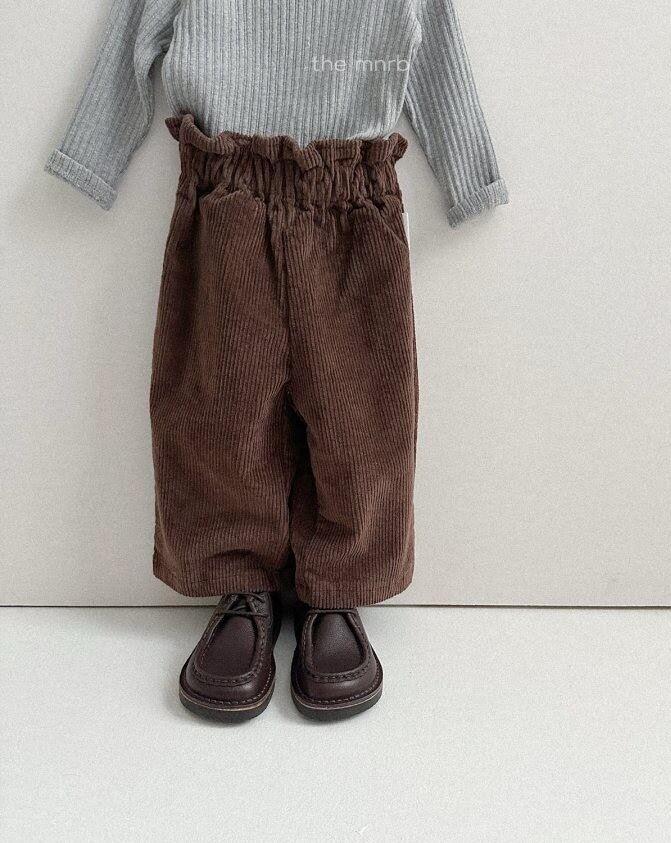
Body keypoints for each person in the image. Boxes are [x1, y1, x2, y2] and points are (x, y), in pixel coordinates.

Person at [46, 0, 508, 720]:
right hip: (225, 190)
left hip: (353, 199)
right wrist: (92, 155)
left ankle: (339, 586)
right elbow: (135, 29)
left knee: (361, 415)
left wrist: (468, 173)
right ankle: (242, 585)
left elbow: (436, 45)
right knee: (218, 410)